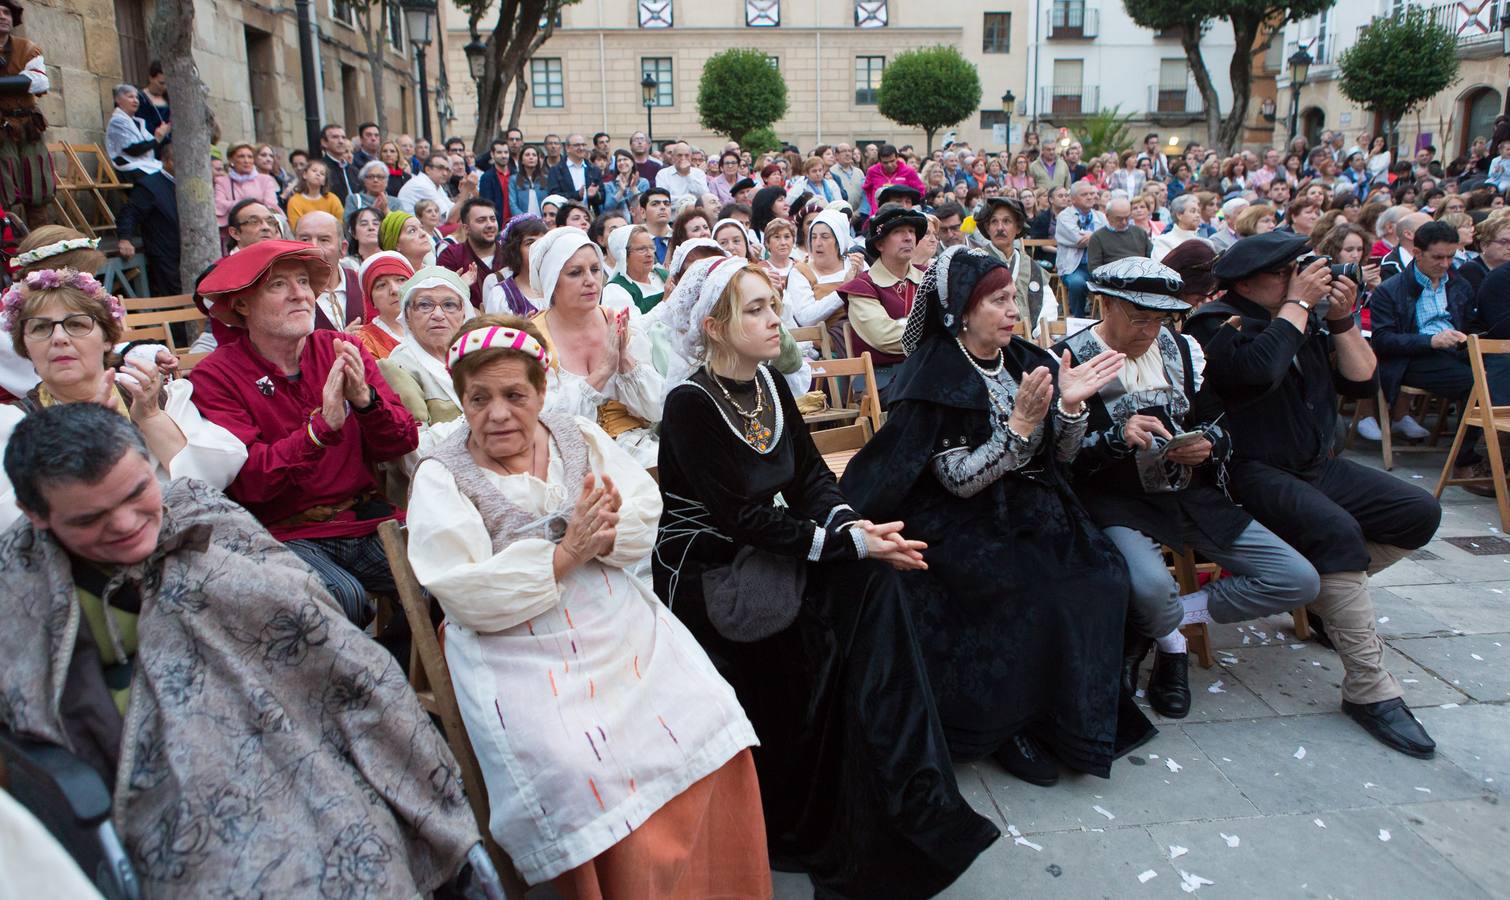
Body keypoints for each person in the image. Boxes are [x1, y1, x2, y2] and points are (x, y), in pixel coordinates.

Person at [0, 403, 489, 897]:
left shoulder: (204, 518)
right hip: (158, 794)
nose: (126, 523)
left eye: (137, 493)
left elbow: (330, 644)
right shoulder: (19, 588)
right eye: (91, 518)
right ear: (34, 515)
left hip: (298, 739)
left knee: (366, 858)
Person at [651, 255, 999, 897]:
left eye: (771, 304)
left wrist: (855, 529)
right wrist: (848, 546)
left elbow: (810, 480)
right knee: (851, 602)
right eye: (754, 309)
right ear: (716, 327)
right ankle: (821, 808)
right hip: (710, 565)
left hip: (772, 546)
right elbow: (741, 517)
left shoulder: (771, 386)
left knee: (884, 584)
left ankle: (898, 791)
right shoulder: (689, 404)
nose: (772, 319)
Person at [402, 314, 769, 896]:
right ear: (461, 399)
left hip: (608, 611)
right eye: (479, 398)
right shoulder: (443, 474)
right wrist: (562, 554)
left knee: (708, 712)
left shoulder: (577, 435)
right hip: (511, 641)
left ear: (542, 391)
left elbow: (642, 509)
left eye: (514, 395)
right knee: (579, 769)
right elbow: (462, 588)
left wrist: (597, 539)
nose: (496, 413)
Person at [838, 244, 1154, 786]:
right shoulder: (933, 376)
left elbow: (1063, 457)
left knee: (1101, 574)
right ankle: (1008, 727)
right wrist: (1019, 429)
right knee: (1026, 590)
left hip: (1033, 503)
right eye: (999, 301)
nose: (1014, 311)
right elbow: (959, 481)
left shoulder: (1027, 359)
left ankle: (1064, 717)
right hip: (959, 518)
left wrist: (1071, 410)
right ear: (962, 310)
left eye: (1014, 298)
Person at [1184, 232, 1441, 758]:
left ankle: (1329, 600)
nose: (1297, 279)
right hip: (1247, 470)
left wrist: (1343, 319)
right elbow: (1258, 371)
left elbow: (1364, 381)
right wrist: (1298, 304)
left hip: (1314, 465)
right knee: (1335, 533)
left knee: (1419, 512)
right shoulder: (1213, 322)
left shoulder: (1306, 318)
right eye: (1284, 273)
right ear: (1249, 281)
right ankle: (1370, 689)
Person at [1055, 258, 1320, 719]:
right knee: (1151, 586)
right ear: (1107, 304)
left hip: (1189, 495)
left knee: (1297, 578)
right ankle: (1172, 647)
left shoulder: (1183, 348)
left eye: (1161, 319)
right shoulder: (1070, 357)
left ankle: (1155, 628)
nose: (1150, 331)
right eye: (1140, 318)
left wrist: (1207, 444)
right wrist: (1116, 439)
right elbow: (1059, 459)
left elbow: (1218, 419)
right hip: (1116, 500)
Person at [187, 240, 419, 625]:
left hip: (364, 520)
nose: (300, 294)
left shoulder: (341, 348)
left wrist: (365, 402)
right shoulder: (215, 376)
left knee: (440, 580)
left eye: (303, 282)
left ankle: (411, 675)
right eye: (278, 285)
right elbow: (251, 483)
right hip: (286, 534)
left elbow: (402, 441)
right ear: (242, 304)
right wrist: (320, 430)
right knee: (341, 598)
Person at [0, 268, 246, 527]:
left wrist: (151, 418)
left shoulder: (155, 397)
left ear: (107, 339)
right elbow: (12, 525)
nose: (59, 338)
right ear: (24, 346)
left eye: (76, 324)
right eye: (40, 328)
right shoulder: (12, 424)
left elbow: (213, 482)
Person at [1370, 220, 1504, 487]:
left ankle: (1498, 453)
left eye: (1451, 257)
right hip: (1411, 359)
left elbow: (1472, 322)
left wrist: (1471, 337)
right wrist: (1430, 341)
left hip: (1453, 351)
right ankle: (1466, 460)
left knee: (1502, 369)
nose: (1445, 264)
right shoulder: (1391, 289)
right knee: (1477, 384)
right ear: (1417, 252)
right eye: (1438, 257)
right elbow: (1383, 341)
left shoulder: (1458, 284)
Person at [531, 228, 663, 465]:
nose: (590, 281)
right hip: (568, 455)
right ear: (552, 282)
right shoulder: (533, 340)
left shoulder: (619, 322)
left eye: (595, 270)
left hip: (634, 446)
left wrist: (625, 362)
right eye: (575, 273)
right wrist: (602, 373)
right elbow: (543, 422)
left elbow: (657, 410)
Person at [838, 205, 928, 392]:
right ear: (880, 244)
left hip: (927, 368)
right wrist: (934, 331)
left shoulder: (929, 277)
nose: (909, 237)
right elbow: (885, 337)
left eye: (911, 231)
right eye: (898, 232)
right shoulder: (862, 286)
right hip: (882, 379)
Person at [375, 267, 472, 428]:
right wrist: (476, 423)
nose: (438, 315)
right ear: (407, 315)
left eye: (449, 305)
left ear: (464, 313)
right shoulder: (399, 367)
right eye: (425, 305)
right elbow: (416, 446)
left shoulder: (476, 356)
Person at [0, 0, 54, 227]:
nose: (3, 16)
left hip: (29, 126)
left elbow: (41, 82)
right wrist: (20, 80)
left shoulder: (27, 47)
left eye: (6, 13)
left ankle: (40, 248)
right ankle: (8, 249)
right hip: (1, 128)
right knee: (4, 189)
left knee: (38, 187)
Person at [115, 145, 181, 294]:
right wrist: (125, 239)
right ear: (169, 162)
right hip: (165, 253)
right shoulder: (150, 186)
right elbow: (130, 213)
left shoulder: (189, 184)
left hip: (187, 251)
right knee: (174, 297)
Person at [976, 196, 1048, 329]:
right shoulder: (976, 261)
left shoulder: (1031, 266)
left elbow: (1048, 305)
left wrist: (1038, 334)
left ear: (1018, 228)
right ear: (987, 228)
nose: (1000, 228)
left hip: (1027, 337)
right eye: (994, 222)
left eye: (1006, 221)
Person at [293, 210, 366, 333]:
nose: (313, 247)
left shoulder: (363, 284)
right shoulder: (290, 294)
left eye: (324, 240)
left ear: (343, 249)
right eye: (305, 239)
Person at [437, 197, 501, 310]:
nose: (490, 225)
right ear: (466, 228)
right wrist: (460, 285)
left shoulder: (511, 253)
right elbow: (442, 298)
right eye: (481, 220)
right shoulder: (451, 255)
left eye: (492, 219)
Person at [1056, 182, 1107, 316]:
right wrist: (1098, 236)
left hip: (1098, 266)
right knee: (1077, 284)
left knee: (1115, 281)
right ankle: (1078, 320)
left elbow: (1109, 238)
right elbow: (1078, 239)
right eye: (1084, 194)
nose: (1090, 197)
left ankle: (1107, 320)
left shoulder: (1101, 216)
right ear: (1073, 199)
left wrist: (1092, 237)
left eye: (1091, 193)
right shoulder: (1064, 216)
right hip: (1074, 267)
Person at [483, 214, 548, 316]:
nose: (538, 247)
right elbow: (497, 331)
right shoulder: (502, 295)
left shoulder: (560, 287)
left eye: (543, 242)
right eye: (530, 243)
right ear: (515, 250)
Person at [352, 250, 413, 360]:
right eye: (381, 285)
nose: (394, 290)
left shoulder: (432, 324)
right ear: (372, 301)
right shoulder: (365, 341)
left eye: (401, 280)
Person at [602, 223, 667, 316]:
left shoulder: (662, 275)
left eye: (651, 248)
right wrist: (665, 302)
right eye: (642, 249)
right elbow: (633, 327)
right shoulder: (616, 290)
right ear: (624, 255)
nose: (650, 254)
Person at [104, 84, 165, 179]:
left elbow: (150, 145)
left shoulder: (138, 122)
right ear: (118, 100)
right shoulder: (117, 121)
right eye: (130, 97)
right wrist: (157, 139)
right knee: (160, 180)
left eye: (136, 97)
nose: (135, 100)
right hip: (128, 168)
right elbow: (133, 150)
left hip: (145, 164)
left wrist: (160, 136)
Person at [213, 143, 280, 228]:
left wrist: (234, 204)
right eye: (241, 156)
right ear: (231, 160)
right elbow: (219, 205)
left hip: (260, 226)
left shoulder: (265, 180)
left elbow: (271, 205)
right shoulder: (222, 181)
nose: (246, 161)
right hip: (231, 228)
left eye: (250, 157)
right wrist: (252, 203)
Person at [398, 153, 467, 222]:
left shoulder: (435, 183)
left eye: (447, 169)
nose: (445, 173)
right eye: (440, 168)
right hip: (411, 229)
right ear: (428, 170)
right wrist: (465, 192)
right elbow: (449, 219)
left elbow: (451, 208)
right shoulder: (422, 185)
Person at [1089, 197, 1153, 270]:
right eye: (1119, 219)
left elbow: (1152, 258)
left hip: (1140, 274)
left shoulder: (1140, 232)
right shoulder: (1098, 237)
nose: (1124, 222)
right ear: (1107, 216)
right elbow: (1094, 268)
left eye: (1127, 218)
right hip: (1112, 277)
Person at [547, 132, 604, 210]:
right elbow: (553, 196)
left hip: (589, 217)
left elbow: (602, 197)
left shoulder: (594, 170)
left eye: (583, 145)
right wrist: (577, 195)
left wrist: (594, 195)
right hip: (565, 216)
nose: (581, 148)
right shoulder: (556, 170)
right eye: (577, 145)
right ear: (567, 148)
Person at [861, 144, 926, 212]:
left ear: (897, 157)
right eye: (885, 162)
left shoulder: (909, 171)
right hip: (879, 213)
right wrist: (874, 205)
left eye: (892, 161)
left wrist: (908, 205)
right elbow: (867, 190)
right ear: (880, 161)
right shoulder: (872, 171)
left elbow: (920, 192)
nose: (889, 165)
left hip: (902, 213)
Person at [285, 158, 345, 230]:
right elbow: (296, 228)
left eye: (322, 173)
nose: (318, 174)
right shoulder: (295, 201)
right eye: (314, 171)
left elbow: (339, 224)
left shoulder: (332, 199)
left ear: (324, 182)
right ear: (305, 175)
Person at [1151, 194, 1210, 262]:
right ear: (1179, 215)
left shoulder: (1206, 243)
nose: (1197, 215)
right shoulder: (1163, 241)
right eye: (1193, 211)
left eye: (1198, 212)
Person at [602, 148, 648, 217]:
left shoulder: (643, 182)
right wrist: (621, 191)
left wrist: (634, 189)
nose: (622, 162)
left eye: (625, 159)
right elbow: (608, 209)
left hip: (638, 222)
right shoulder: (609, 185)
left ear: (632, 163)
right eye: (619, 160)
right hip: (618, 223)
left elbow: (645, 205)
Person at [508, 144, 550, 218]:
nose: (531, 157)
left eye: (534, 155)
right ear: (522, 160)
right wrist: (524, 218)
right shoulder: (514, 179)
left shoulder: (546, 178)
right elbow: (512, 204)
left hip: (543, 221)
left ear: (538, 159)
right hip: (523, 222)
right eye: (527, 155)